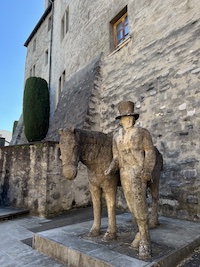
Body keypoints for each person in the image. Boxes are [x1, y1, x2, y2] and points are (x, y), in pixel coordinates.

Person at [105, 101, 156, 259]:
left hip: (138, 173)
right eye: (124, 117)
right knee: (131, 205)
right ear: (120, 119)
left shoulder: (142, 133)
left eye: (129, 117)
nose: (127, 120)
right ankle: (141, 232)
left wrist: (147, 169)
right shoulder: (116, 136)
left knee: (139, 204)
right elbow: (116, 157)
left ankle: (145, 240)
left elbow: (150, 152)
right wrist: (110, 168)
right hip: (124, 173)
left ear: (133, 117)